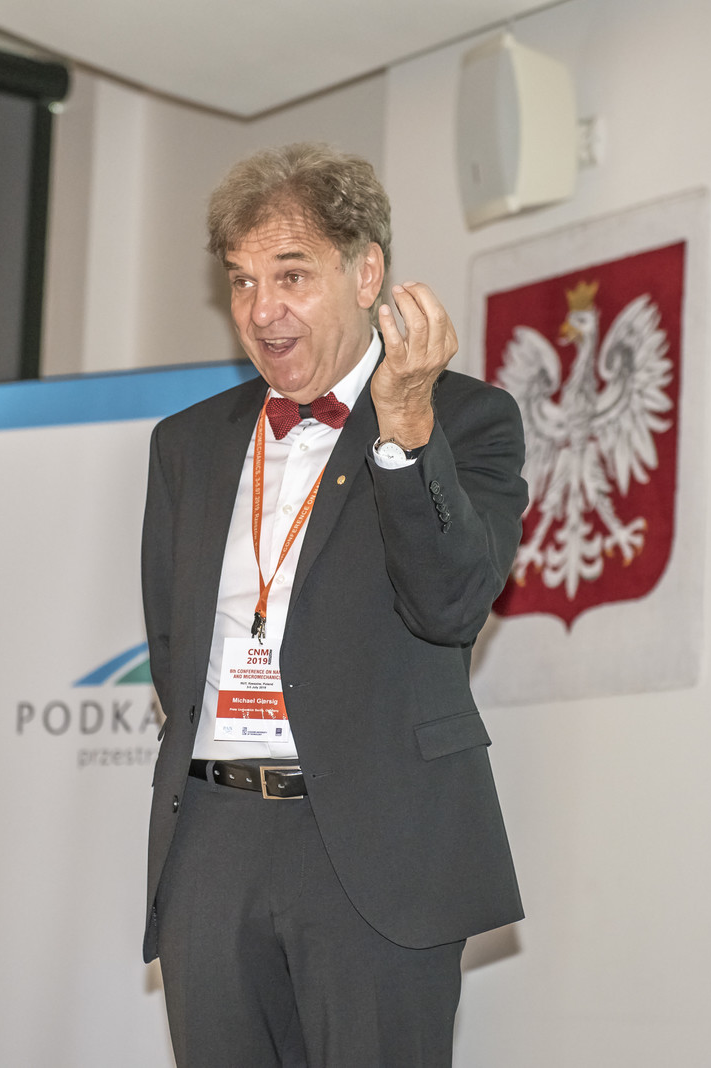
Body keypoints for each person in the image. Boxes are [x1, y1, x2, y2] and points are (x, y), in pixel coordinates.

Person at [140, 143, 528, 1067]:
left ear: (365, 274)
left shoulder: (466, 420)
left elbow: (452, 605)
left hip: (376, 844)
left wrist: (406, 428)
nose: (260, 310)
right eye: (241, 281)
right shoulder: (187, 444)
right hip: (214, 839)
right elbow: (171, 642)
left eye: (291, 275)